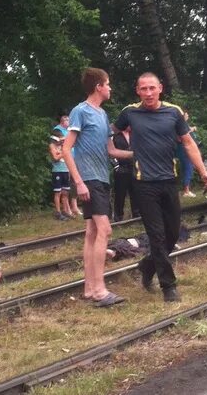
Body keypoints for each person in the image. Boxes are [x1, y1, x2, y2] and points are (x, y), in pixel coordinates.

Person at [114, 72, 207, 302]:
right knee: (157, 236)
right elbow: (109, 132)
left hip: (169, 181)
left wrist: (203, 172)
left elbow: (188, 143)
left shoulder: (173, 112)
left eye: (152, 88)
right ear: (137, 91)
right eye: (143, 89)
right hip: (143, 183)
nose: (148, 93)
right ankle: (168, 287)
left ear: (160, 88)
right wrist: (114, 152)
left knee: (172, 234)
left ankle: (147, 265)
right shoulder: (129, 113)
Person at [63, 67, 132, 307]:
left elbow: (111, 150)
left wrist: (138, 154)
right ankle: (100, 290)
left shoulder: (102, 115)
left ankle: (90, 289)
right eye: (108, 84)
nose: (110, 88)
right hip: (89, 178)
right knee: (105, 230)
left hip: (102, 178)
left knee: (92, 232)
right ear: (98, 87)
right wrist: (79, 182)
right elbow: (65, 149)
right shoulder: (80, 111)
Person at [55, 114, 83, 217]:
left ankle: (74, 206)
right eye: (67, 120)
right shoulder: (57, 130)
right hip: (63, 161)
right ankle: (66, 209)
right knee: (66, 185)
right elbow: (63, 142)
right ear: (62, 121)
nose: (69, 122)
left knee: (75, 182)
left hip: (74, 157)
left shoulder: (69, 130)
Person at [112, 126, 139, 220]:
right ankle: (118, 215)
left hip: (134, 167)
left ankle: (136, 213)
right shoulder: (115, 135)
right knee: (120, 193)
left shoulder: (135, 134)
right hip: (121, 167)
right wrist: (116, 166)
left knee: (136, 191)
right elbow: (110, 151)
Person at [48, 130, 73, 220]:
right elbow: (55, 158)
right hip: (57, 171)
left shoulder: (63, 146)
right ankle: (58, 212)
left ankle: (65, 211)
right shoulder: (52, 146)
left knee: (65, 192)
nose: (62, 141)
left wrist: (62, 152)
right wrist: (63, 153)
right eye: (61, 139)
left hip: (65, 170)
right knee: (58, 192)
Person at [177, 108, 199, 197]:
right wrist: (191, 130)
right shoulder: (179, 124)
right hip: (184, 149)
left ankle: (186, 189)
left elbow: (187, 129)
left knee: (188, 168)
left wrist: (192, 128)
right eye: (186, 115)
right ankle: (186, 191)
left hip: (185, 149)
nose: (187, 116)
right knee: (188, 167)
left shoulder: (184, 124)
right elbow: (179, 136)